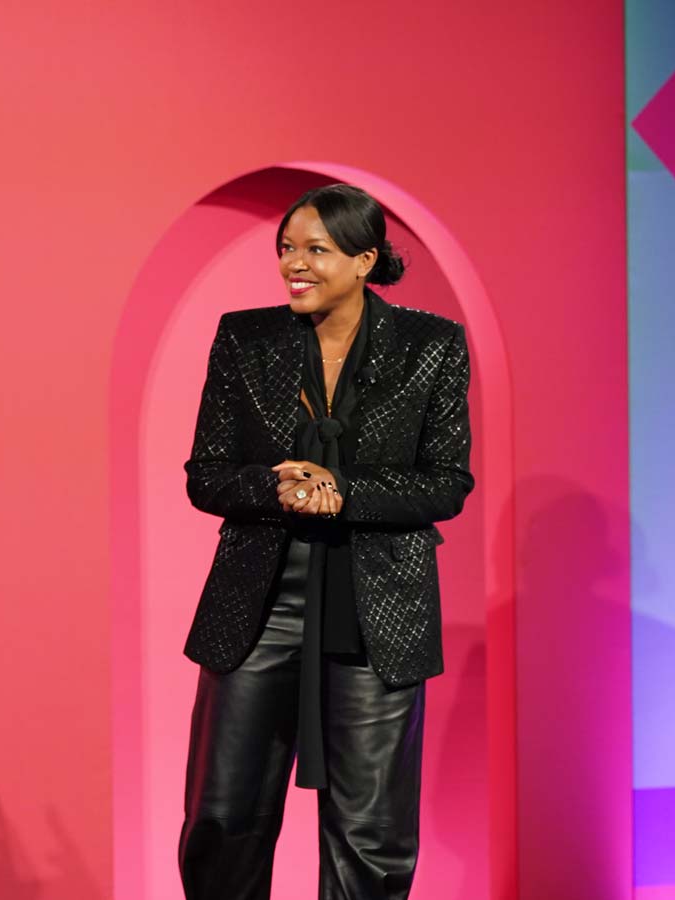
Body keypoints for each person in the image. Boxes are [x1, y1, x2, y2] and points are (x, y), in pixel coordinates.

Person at [177, 183, 473, 899]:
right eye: (286, 249)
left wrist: (345, 492)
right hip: (257, 606)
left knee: (370, 834)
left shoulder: (430, 347)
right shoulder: (245, 339)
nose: (293, 265)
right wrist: (274, 487)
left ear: (365, 259)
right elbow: (206, 475)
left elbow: (446, 484)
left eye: (316, 250)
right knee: (223, 817)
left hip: (379, 614)